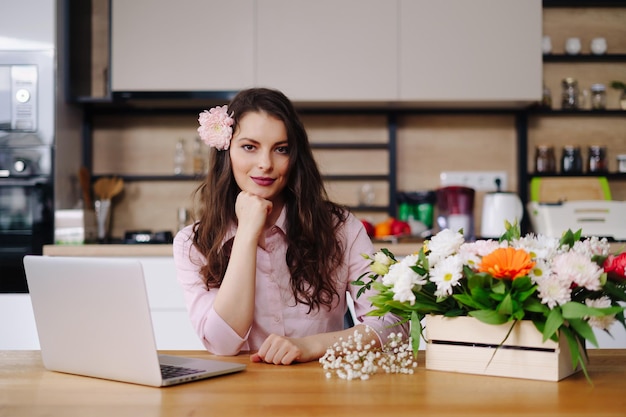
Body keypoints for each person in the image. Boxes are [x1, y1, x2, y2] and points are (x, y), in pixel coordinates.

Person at [173, 88, 409, 365]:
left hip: (324, 389)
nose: (265, 164)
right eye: (249, 147)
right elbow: (222, 344)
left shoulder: (341, 229)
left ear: (294, 157)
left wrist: (311, 346)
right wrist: (247, 232)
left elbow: (394, 325)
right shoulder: (192, 242)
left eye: (281, 149)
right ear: (227, 153)